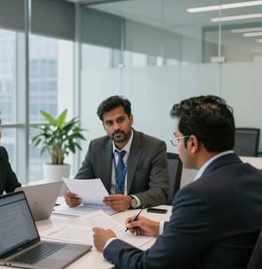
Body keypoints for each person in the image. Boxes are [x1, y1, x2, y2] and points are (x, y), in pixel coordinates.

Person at [92, 95, 262, 268]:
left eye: (177, 139)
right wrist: (162, 228)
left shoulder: (197, 195)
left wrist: (109, 243)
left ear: (193, 143)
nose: (177, 146)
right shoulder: (256, 178)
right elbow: (222, 225)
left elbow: (149, 265)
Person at [65, 95, 169, 211]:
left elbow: (160, 191)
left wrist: (131, 201)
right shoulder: (96, 147)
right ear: (104, 126)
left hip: (136, 215)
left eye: (120, 120)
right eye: (109, 123)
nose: (116, 127)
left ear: (131, 119)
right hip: (105, 213)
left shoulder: (154, 147)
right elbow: (79, 183)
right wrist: (71, 196)